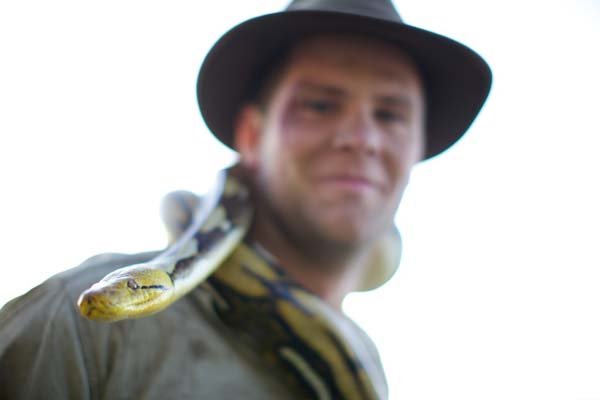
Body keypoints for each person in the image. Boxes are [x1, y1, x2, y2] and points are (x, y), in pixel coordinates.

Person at [0, 0, 491, 398]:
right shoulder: (79, 328)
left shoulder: (369, 372)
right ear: (251, 134)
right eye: (320, 105)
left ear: (417, 148)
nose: (361, 138)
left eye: (390, 115)